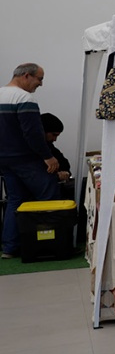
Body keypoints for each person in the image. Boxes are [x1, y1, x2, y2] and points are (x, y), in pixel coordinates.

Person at [1, 63, 61, 258]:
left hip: (4, 160)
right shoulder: (24, 98)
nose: (41, 84)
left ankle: (10, 248)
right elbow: (33, 133)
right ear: (26, 76)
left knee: (15, 201)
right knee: (49, 197)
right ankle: (49, 245)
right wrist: (48, 156)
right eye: (39, 79)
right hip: (25, 158)